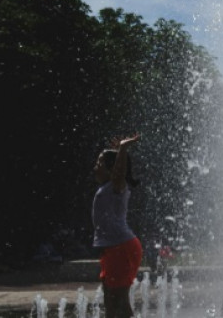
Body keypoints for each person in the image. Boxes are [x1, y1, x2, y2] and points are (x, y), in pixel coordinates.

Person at [92, 133, 142, 318]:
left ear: (111, 169)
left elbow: (120, 172)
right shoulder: (108, 188)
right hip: (114, 249)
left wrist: (122, 149)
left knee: (118, 301)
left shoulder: (117, 187)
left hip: (121, 247)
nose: (95, 167)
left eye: (99, 163)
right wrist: (120, 152)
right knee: (110, 302)